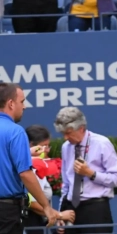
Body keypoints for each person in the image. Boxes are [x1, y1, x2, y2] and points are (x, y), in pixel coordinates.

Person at [54, 106, 117, 234]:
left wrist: (91, 173)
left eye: (68, 132)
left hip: (95, 209)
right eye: (62, 133)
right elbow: (66, 184)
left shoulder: (102, 143)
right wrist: (60, 214)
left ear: (81, 128)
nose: (65, 137)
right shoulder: (66, 147)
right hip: (70, 209)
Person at [0, 83, 57, 234]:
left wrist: (26, 153)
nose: (24, 107)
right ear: (11, 104)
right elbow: (25, 173)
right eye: (22, 101)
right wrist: (46, 206)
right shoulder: (15, 132)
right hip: (6, 213)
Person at [23, 125, 75, 234]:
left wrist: (55, 217)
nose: (47, 150)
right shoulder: (31, 166)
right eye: (44, 146)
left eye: (48, 146)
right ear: (31, 146)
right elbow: (30, 202)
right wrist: (59, 215)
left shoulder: (37, 165)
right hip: (29, 225)